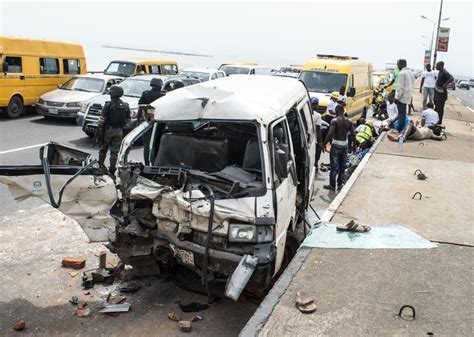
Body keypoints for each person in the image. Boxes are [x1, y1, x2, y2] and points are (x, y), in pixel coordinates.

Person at [98, 85, 131, 176]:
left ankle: (100, 166)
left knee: (103, 149)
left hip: (108, 130)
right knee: (114, 152)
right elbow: (128, 120)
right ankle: (112, 169)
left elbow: (101, 120)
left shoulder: (108, 105)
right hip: (119, 131)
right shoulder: (126, 106)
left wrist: (99, 130)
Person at [323, 104, 355, 191]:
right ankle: (340, 185)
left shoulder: (335, 121)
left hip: (336, 145)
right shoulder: (349, 121)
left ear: (336, 111)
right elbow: (353, 134)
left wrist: (324, 143)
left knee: (334, 166)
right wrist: (354, 145)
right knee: (342, 167)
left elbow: (330, 134)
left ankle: (332, 185)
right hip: (345, 146)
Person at [137, 78, 165, 165]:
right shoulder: (163, 95)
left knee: (146, 145)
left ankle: (146, 163)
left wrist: (138, 121)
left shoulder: (145, 94)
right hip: (159, 124)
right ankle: (155, 163)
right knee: (157, 144)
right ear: (160, 86)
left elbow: (140, 108)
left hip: (147, 122)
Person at [394, 59, 414, 132]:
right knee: (403, 113)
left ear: (402, 64)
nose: (397, 66)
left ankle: (400, 129)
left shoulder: (402, 73)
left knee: (401, 114)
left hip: (401, 97)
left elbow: (400, 88)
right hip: (407, 96)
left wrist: (396, 97)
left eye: (398, 64)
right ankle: (402, 128)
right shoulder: (411, 72)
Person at [311, 97, 323, 171]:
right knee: (317, 152)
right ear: (315, 105)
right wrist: (320, 141)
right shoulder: (317, 115)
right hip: (313, 139)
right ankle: (315, 164)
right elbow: (318, 130)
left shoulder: (307, 112)